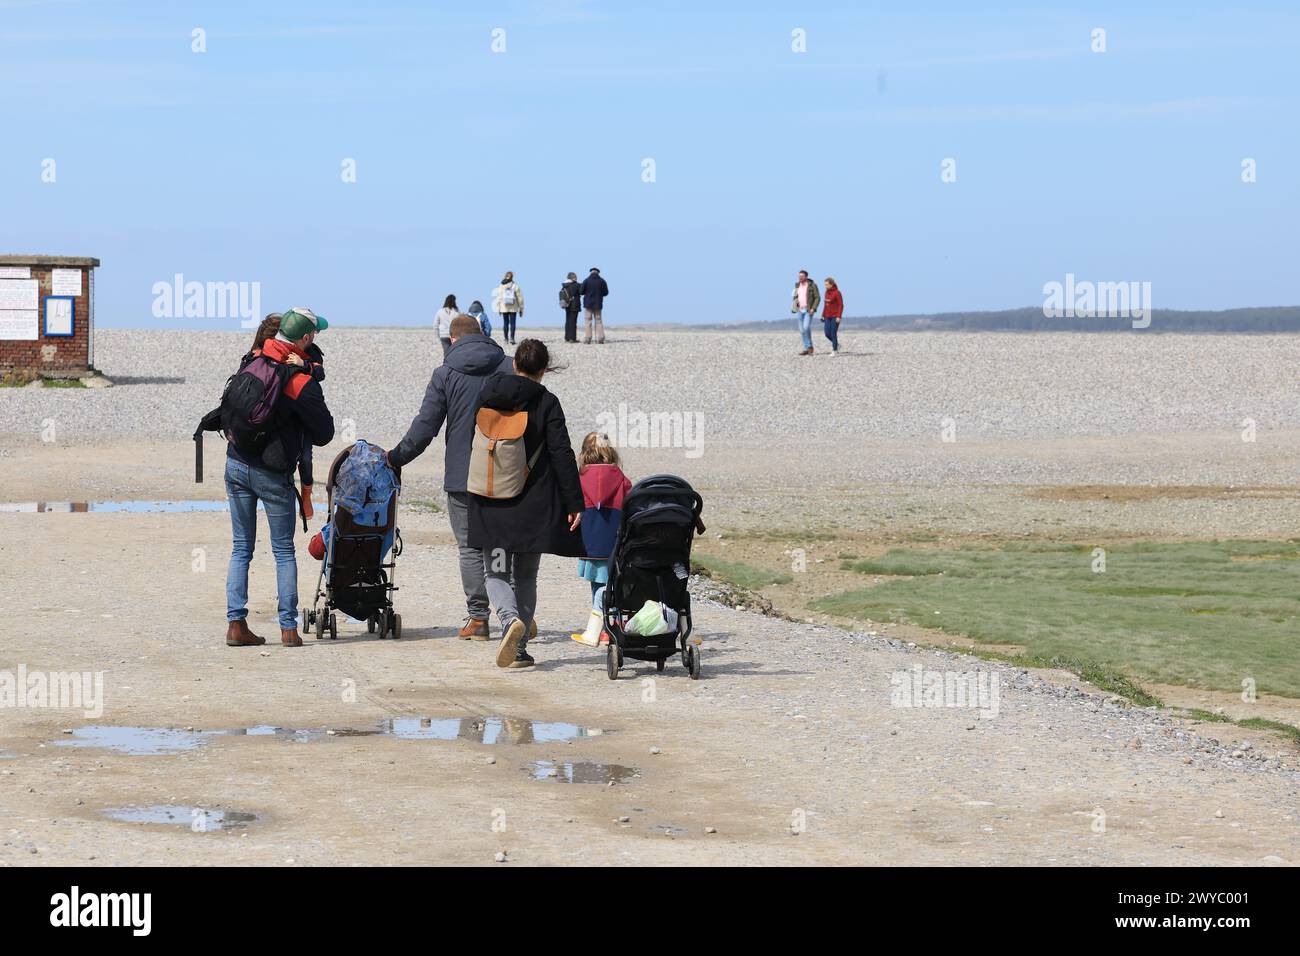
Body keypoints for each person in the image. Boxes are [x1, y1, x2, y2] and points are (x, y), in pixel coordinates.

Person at [386, 313, 514, 639]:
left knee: (470, 548)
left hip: (462, 475)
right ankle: (514, 615)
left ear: (453, 339)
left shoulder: (445, 373)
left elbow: (425, 427)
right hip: (506, 472)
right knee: (500, 545)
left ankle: (479, 619)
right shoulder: (510, 367)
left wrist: (396, 457)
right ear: (483, 333)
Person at [466, 339, 584, 668]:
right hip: (531, 505)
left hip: (490, 502)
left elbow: (470, 440)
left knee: (496, 571)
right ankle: (518, 649)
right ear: (544, 370)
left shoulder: (487, 394)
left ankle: (508, 622)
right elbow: (562, 453)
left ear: (514, 363)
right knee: (527, 576)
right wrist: (575, 503)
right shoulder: (546, 402)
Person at [225, 307, 334, 648]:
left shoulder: (253, 359)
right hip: (272, 474)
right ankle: (288, 628)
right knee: (284, 550)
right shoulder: (300, 383)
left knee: (241, 548)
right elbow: (325, 433)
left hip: (235, 462)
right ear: (305, 338)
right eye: (313, 335)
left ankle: (236, 624)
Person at [571, 432, 630, 647]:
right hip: (613, 541)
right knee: (610, 583)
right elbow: (631, 505)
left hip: (589, 541)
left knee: (599, 584)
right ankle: (607, 628)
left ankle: (601, 628)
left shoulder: (579, 478)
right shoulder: (620, 478)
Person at [791, 269, 820, 355]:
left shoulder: (812, 285)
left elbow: (817, 297)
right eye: (799, 276)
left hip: (808, 310)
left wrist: (813, 308)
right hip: (799, 310)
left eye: (802, 276)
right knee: (802, 330)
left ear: (806, 277)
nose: (800, 278)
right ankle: (807, 348)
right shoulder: (797, 285)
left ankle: (809, 346)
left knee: (806, 327)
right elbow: (795, 297)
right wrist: (794, 306)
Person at [492, 271, 524, 345]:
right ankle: (512, 338)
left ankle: (506, 339)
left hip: (504, 307)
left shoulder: (501, 285)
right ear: (512, 277)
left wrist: (498, 308)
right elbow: (520, 298)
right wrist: (521, 308)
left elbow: (499, 297)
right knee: (513, 323)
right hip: (513, 307)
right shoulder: (515, 285)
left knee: (505, 323)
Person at [579, 267, 609, 344]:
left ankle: (588, 338)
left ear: (591, 272)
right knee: (598, 321)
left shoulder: (586, 280)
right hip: (598, 304)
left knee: (588, 321)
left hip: (588, 304)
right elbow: (606, 293)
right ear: (598, 273)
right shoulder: (602, 281)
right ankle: (600, 338)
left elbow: (581, 291)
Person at [822, 277, 843, 356]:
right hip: (827, 316)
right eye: (825, 284)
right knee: (827, 333)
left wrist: (839, 316)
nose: (825, 286)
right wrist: (823, 315)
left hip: (835, 316)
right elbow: (825, 305)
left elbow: (841, 305)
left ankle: (834, 350)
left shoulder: (837, 293)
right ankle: (837, 344)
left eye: (827, 284)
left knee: (833, 333)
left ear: (831, 284)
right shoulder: (826, 292)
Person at [560, 272, 582, 343]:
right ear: (573, 278)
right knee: (573, 322)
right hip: (574, 305)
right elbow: (581, 291)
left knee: (568, 321)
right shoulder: (576, 285)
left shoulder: (564, 285)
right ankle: (572, 338)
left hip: (567, 305)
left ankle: (567, 337)